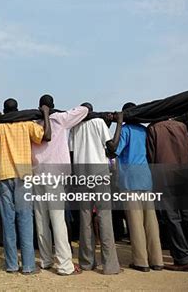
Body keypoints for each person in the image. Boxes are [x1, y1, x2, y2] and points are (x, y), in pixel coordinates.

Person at [0, 98, 51, 275]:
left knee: (8, 221)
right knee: (25, 218)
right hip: (24, 172)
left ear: (4, 110)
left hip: (4, 173)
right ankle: (29, 265)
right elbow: (47, 136)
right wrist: (46, 114)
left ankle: (11, 265)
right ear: (18, 110)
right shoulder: (27, 124)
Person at [31, 94, 88, 275]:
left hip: (37, 175)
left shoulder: (32, 124)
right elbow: (85, 108)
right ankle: (64, 265)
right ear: (52, 106)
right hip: (54, 176)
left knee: (41, 221)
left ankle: (46, 260)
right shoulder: (59, 119)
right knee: (58, 221)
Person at [69, 103, 122, 275]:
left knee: (85, 219)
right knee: (104, 216)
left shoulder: (74, 127)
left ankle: (86, 262)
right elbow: (112, 147)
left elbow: (71, 154)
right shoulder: (99, 122)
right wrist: (119, 123)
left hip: (81, 173)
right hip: (99, 171)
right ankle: (110, 266)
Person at [112, 102, 163, 272]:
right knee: (151, 220)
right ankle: (157, 260)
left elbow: (114, 150)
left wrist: (118, 125)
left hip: (130, 179)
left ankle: (141, 261)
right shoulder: (144, 130)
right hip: (145, 176)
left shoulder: (125, 130)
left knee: (135, 222)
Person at [147, 119, 188, 271]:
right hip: (184, 174)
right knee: (187, 215)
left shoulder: (153, 128)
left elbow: (151, 157)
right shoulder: (182, 125)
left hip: (164, 176)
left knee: (172, 217)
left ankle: (183, 258)